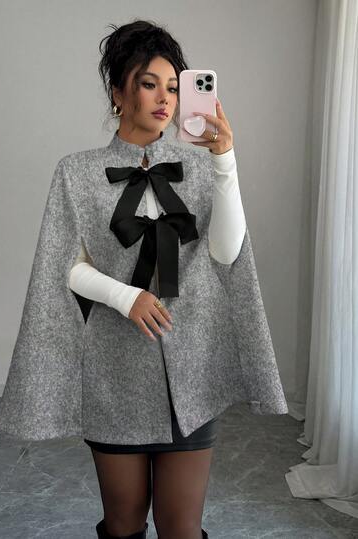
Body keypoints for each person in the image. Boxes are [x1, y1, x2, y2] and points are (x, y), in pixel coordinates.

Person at [72, 19, 244, 539]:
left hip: (189, 369)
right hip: (115, 369)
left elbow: (226, 253)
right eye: (149, 84)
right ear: (118, 93)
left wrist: (224, 160)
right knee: (123, 523)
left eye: (173, 86)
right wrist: (125, 297)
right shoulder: (76, 172)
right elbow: (67, 264)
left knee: (181, 527)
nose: (165, 99)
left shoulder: (199, 168)